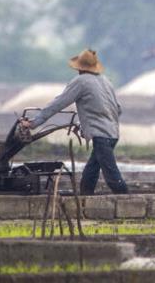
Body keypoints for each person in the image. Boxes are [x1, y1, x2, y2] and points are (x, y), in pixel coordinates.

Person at [19, 48, 129, 195]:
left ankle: (127, 201)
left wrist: (34, 123)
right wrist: (83, 125)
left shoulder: (80, 82)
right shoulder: (106, 81)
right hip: (113, 134)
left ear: (79, 68)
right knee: (91, 172)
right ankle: (84, 199)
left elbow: (58, 104)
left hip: (101, 136)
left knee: (112, 177)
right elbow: (118, 109)